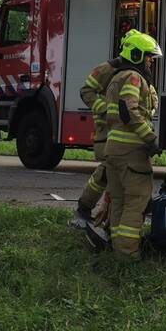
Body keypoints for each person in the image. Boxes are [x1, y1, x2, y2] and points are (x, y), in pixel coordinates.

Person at [99, 30, 162, 257]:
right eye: (148, 57)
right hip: (131, 151)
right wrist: (151, 138)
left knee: (118, 201)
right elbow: (129, 111)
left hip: (114, 149)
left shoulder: (116, 78)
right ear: (136, 55)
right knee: (136, 201)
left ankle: (117, 250)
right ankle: (127, 256)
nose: (150, 62)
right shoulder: (133, 77)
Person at [69, 57, 121, 230]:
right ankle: (84, 208)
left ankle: (108, 217)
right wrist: (105, 109)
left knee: (113, 174)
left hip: (117, 134)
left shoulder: (130, 72)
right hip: (106, 133)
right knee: (106, 172)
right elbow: (86, 91)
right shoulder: (108, 69)